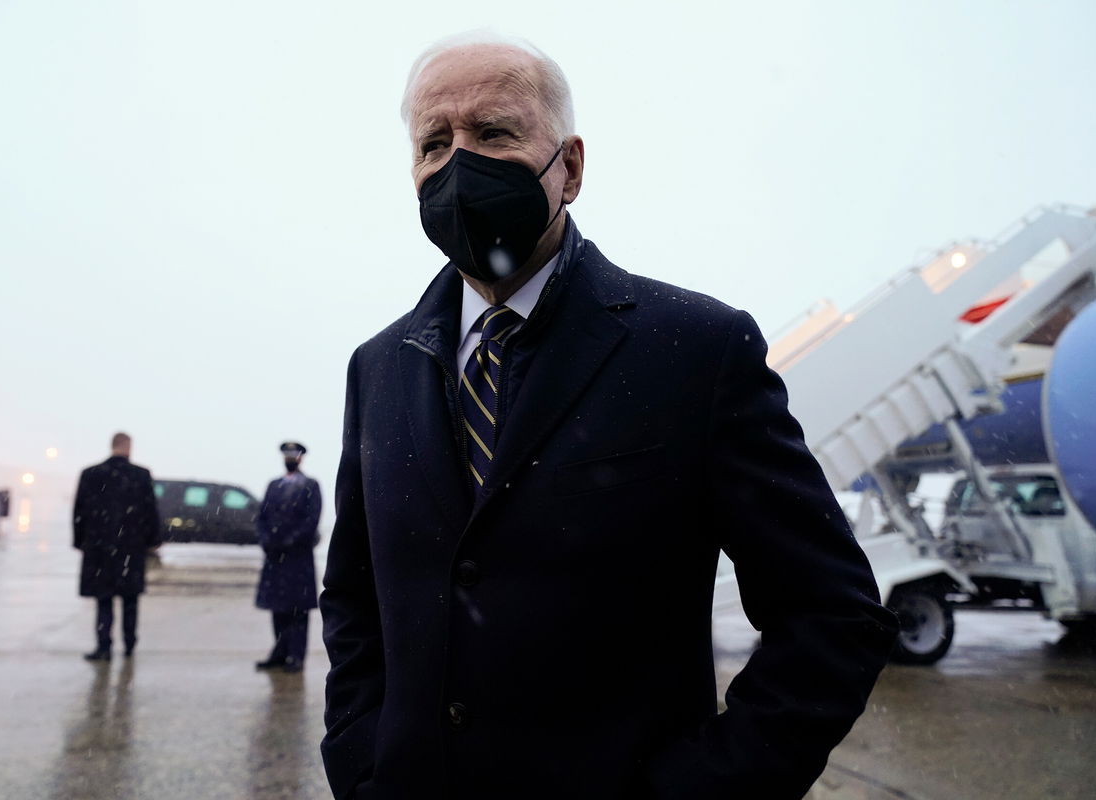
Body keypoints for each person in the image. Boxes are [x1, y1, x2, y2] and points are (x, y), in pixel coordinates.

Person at [320, 32, 899, 800]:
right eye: (434, 143)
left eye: (494, 132)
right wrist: (363, 762)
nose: (458, 164)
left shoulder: (695, 348)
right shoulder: (379, 365)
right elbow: (355, 596)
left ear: (572, 166)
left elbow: (832, 612)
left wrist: (705, 787)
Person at [72, 432, 161, 661]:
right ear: (129, 447)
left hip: (99, 548)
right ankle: (129, 644)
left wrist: (81, 542)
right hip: (131, 548)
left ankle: (104, 647)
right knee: (130, 600)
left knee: (104, 600)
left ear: (112, 446)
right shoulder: (141, 475)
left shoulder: (90, 474)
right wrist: (152, 541)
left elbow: (79, 512)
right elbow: (151, 512)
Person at [254, 441, 322, 673]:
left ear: (301, 458)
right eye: (287, 454)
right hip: (274, 557)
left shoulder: (311, 485)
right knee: (277, 608)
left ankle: (296, 655)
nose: (290, 458)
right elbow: (261, 517)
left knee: (297, 610)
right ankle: (280, 652)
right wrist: (266, 540)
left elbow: (311, 522)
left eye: (294, 454)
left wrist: (288, 542)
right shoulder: (274, 485)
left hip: (297, 558)